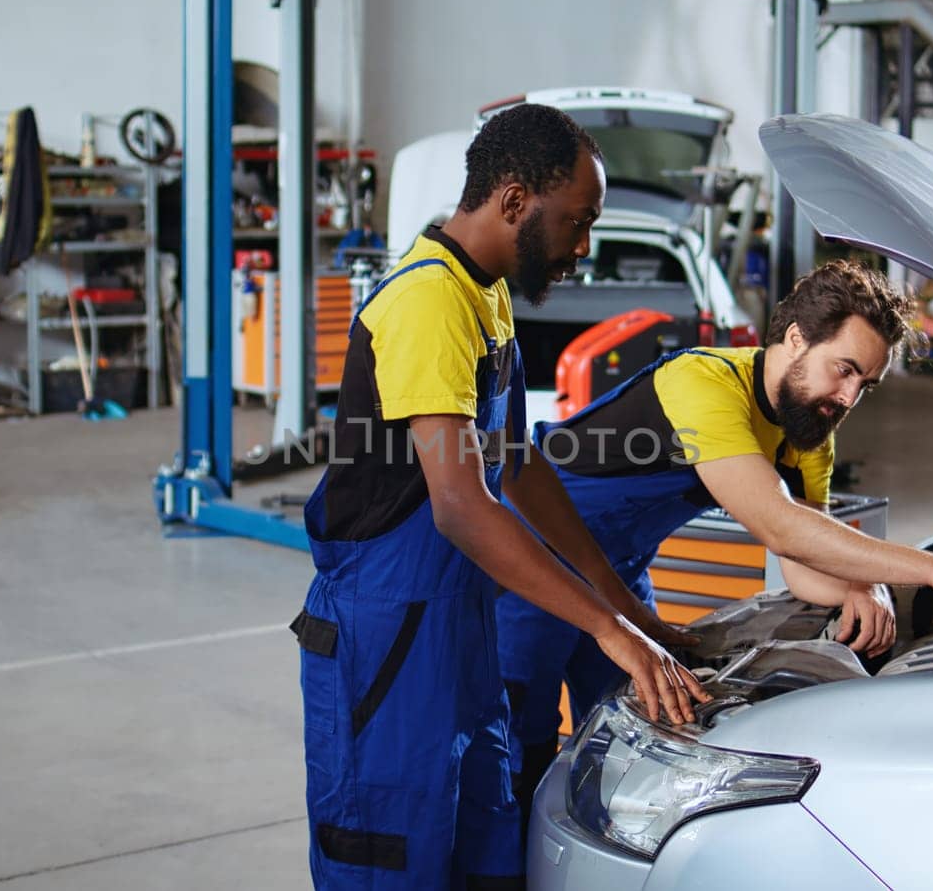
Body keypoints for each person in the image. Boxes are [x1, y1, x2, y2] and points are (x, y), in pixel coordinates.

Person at [292, 103, 709, 891]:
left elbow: (519, 465)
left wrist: (623, 609)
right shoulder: (426, 300)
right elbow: (460, 502)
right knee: (393, 865)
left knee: (491, 855)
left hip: (459, 635)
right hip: (386, 646)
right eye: (576, 222)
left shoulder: (484, 294)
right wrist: (606, 632)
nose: (582, 249)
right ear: (514, 201)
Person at [496, 259, 933, 821]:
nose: (848, 397)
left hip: (619, 572)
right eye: (842, 370)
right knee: (517, 749)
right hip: (533, 557)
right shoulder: (703, 383)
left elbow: (799, 560)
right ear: (796, 338)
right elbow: (779, 524)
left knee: (631, 737)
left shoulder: (809, 435)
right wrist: (931, 568)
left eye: (864, 385)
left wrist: (860, 584)